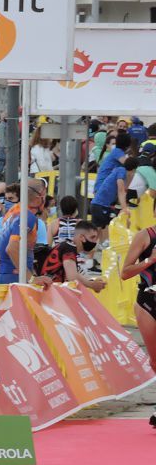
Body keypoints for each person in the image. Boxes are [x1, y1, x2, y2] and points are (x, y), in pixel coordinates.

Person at [120, 223, 156, 425]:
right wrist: (150, 261)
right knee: (155, 360)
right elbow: (125, 272)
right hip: (148, 302)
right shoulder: (146, 236)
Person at [0, 178, 48, 284]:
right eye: (45, 196)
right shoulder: (27, 216)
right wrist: (32, 279)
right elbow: (11, 248)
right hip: (14, 278)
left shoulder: (14, 210)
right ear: (38, 199)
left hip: (5, 275)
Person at [35, 221, 107, 292]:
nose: (95, 242)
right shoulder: (69, 249)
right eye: (92, 237)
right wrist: (92, 285)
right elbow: (72, 277)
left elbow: (74, 273)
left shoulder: (67, 246)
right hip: (47, 292)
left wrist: (92, 282)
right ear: (82, 237)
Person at [91, 155, 137, 232]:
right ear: (133, 169)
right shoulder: (121, 171)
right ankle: (104, 243)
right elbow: (121, 190)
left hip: (97, 204)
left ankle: (100, 243)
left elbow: (123, 190)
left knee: (99, 230)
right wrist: (124, 208)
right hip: (102, 205)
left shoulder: (119, 170)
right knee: (107, 227)